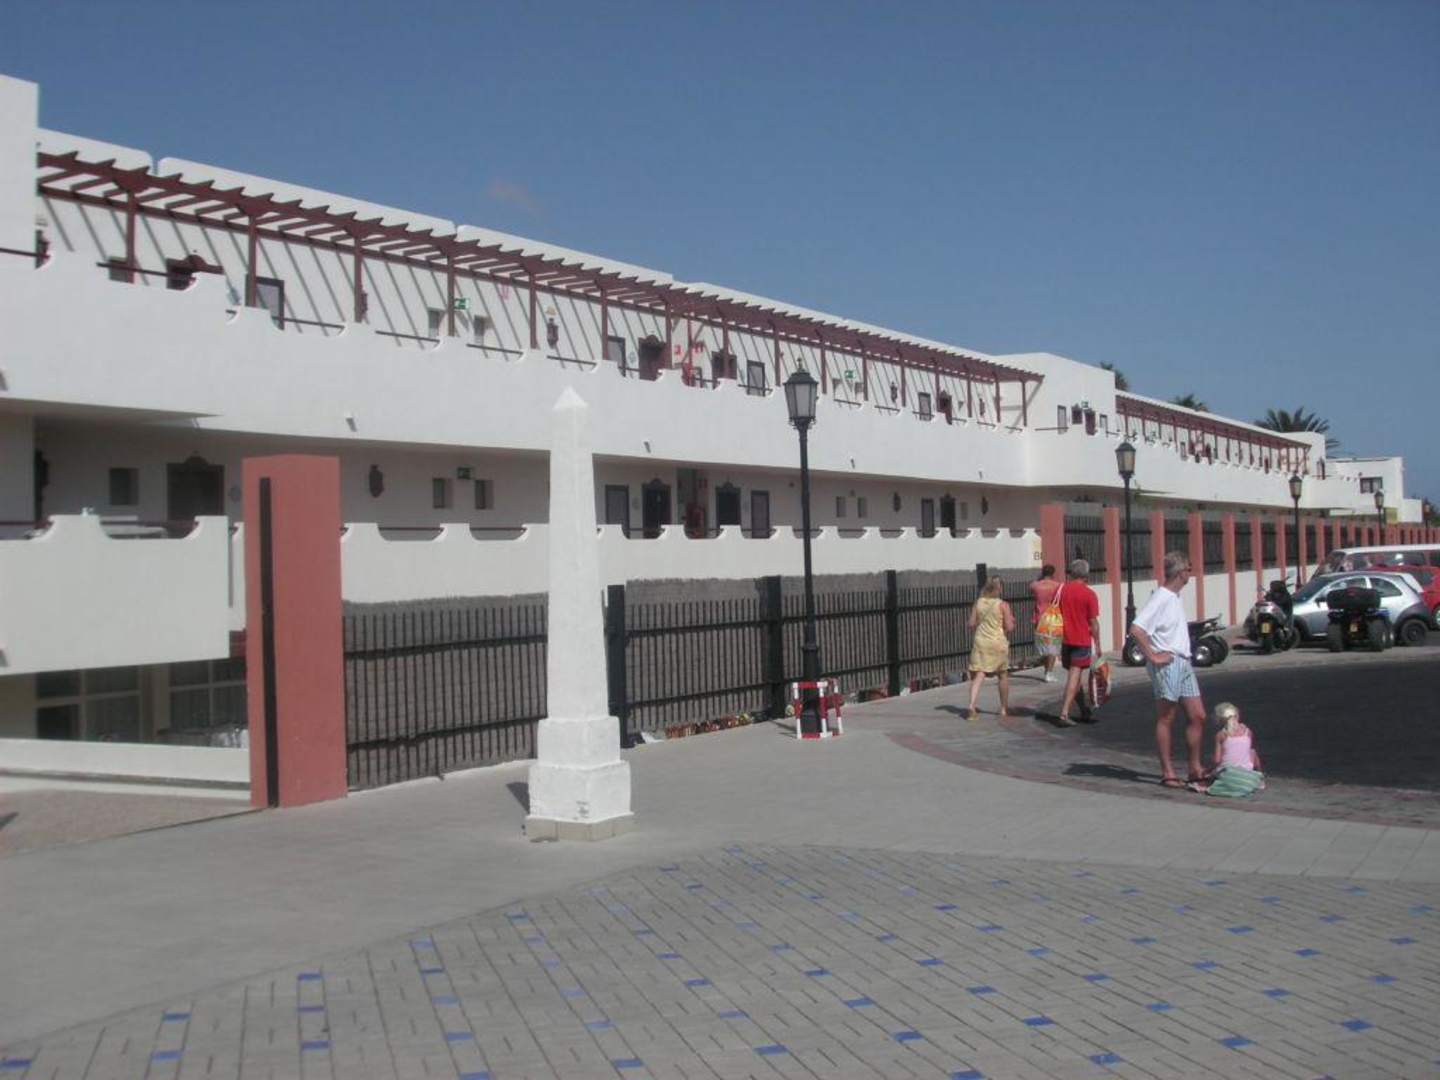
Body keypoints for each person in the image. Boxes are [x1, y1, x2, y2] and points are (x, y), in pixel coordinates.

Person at [1130, 551, 1208, 791]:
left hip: (1183, 661)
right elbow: (1137, 629)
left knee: (1198, 715)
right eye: (1189, 569)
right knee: (1167, 717)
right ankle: (1168, 772)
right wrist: (1153, 656)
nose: (1190, 573)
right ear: (1180, 572)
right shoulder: (1162, 598)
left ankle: (1194, 767)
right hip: (1168, 663)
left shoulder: (1174, 597)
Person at [1056, 559, 1101, 727]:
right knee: (1074, 676)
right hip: (1081, 640)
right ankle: (1064, 713)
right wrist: (1098, 644)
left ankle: (1084, 710)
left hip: (1065, 639)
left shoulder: (1062, 590)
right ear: (1086, 575)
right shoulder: (1089, 594)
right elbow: (1093, 623)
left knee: (1076, 677)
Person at [967, 575, 1016, 718]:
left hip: (981, 641)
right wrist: (1011, 622)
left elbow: (971, 623)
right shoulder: (1003, 605)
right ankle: (1003, 708)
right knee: (1002, 674)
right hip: (997, 642)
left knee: (979, 673)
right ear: (999, 589)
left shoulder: (978, 602)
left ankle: (971, 705)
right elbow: (1009, 627)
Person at [1210, 701, 1263, 775]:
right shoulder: (1248, 732)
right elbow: (1249, 753)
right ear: (1237, 715)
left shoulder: (1221, 735)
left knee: (1215, 760)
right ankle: (1259, 775)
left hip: (1226, 774)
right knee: (1252, 751)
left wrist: (1210, 768)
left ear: (1220, 719)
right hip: (1246, 773)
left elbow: (1217, 761)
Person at [1029, 564, 1061, 682]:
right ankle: (1049, 672)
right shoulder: (1057, 586)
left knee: (1043, 645)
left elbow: (1031, 588)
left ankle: (1046, 669)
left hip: (1039, 618)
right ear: (1053, 573)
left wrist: (1039, 578)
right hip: (1053, 619)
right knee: (1053, 646)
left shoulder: (1035, 586)